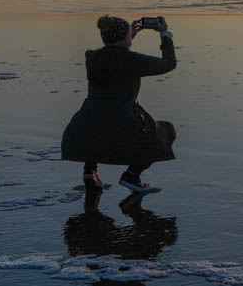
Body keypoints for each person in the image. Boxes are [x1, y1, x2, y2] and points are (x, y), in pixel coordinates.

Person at [61, 14, 177, 193]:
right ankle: (131, 176)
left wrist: (128, 37)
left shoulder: (92, 58)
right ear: (125, 39)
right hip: (122, 124)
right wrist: (165, 34)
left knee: (97, 127)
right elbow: (169, 63)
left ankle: (90, 172)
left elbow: (113, 54)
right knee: (167, 130)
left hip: (84, 128)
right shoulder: (133, 61)